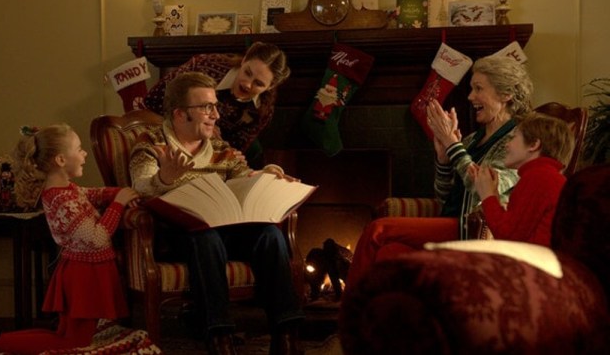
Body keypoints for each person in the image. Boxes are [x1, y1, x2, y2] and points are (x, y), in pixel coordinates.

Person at [129, 72, 304, 355]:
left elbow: (242, 177)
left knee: (269, 235)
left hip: (224, 229)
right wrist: (164, 179)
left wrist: (265, 177)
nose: (216, 115)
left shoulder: (221, 149)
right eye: (206, 108)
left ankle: (286, 332)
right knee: (205, 238)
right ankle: (219, 337)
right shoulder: (151, 144)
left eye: (215, 106)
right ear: (180, 114)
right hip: (176, 236)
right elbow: (141, 188)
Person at [345, 55, 534, 291]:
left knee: (378, 229)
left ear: (505, 95)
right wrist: (444, 159)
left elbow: (482, 187)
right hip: (450, 223)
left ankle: (349, 321)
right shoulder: (473, 140)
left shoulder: (516, 139)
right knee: (389, 253)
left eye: (478, 89)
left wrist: (452, 144)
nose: (470, 97)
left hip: (474, 231)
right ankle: (383, 325)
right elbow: (445, 198)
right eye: (471, 89)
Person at [0, 124, 141, 355]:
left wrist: (117, 193)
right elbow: (97, 237)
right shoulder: (61, 199)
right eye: (78, 149)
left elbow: (94, 193)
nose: (84, 153)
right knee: (73, 342)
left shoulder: (67, 190)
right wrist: (119, 204)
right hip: (85, 275)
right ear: (60, 160)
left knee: (65, 335)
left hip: (84, 270)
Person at [143, 41, 291, 161]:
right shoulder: (204, 66)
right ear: (244, 60)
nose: (247, 84)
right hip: (171, 134)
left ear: (270, 86)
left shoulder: (262, 110)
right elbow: (153, 101)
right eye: (247, 72)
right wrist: (196, 125)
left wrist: (218, 145)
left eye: (258, 84)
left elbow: (234, 150)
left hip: (210, 156)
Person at [472, 112, 574, 246]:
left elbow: (508, 237)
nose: (506, 145)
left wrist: (487, 195)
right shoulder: (546, 175)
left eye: (513, 137)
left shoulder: (538, 177)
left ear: (533, 144)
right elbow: (514, 229)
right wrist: (494, 194)